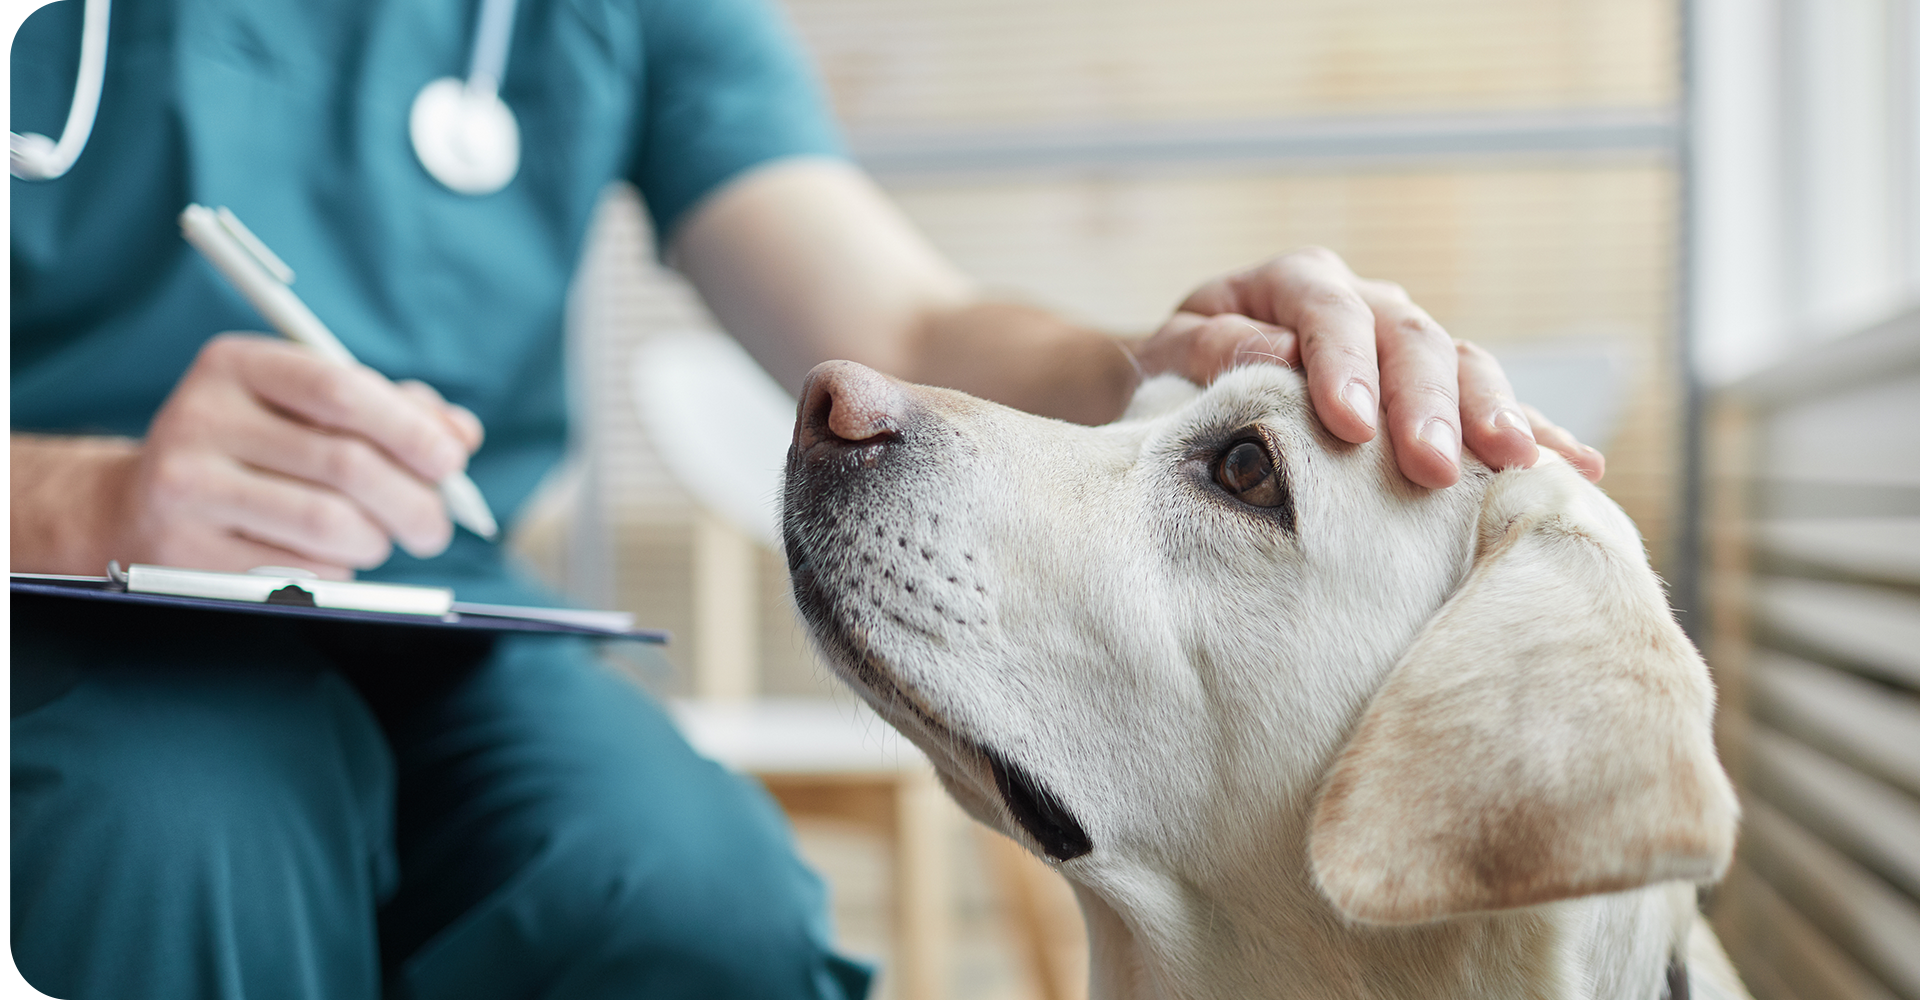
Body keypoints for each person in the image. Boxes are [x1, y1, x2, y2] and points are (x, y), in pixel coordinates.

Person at [10, 0, 1602, 997]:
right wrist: (78, 500)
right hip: (47, 610)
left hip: (444, 604)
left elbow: (897, 329)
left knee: (692, 901)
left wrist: (1156, 362)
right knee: (169, 841)